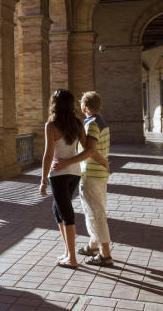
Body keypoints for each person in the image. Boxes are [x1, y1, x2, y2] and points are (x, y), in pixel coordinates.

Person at [54, 91, 113, 267]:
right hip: (98, 173)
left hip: (93, 174)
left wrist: (67, 162)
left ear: (84, 106)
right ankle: (93, 246)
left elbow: (90, 150)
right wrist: (104, 162)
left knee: (96, 214)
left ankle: (106, 254)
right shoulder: (101, 121)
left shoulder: (92, 124)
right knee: (93, 212)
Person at [40, 89, 88, 269]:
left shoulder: (51, 126)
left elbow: (48, 155)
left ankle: (73, 258)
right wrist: (71, 160)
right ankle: (68, 251)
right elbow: (86, 150)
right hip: (74, 173)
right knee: (57, 209)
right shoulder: (78, 123)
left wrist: (43, 180)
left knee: (66, 213)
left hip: (58, 175)